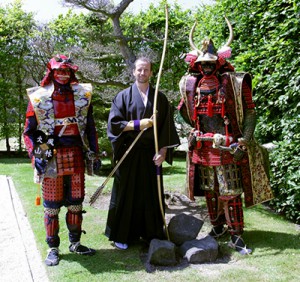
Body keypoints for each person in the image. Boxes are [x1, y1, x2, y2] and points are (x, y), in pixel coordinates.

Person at [178, 18, 273, 255]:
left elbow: (250, 112)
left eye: (211, 63)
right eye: (203, 64)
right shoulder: (192, 85)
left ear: (219, 62)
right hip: (202, 147)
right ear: (198, 65)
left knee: (230, 191)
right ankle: (218, 227)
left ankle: (237, 235)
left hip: (228, 147)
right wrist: (191, 132)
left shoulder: (235, 83)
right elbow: (183, 111)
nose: (207, 67)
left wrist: (245, 140)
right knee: (210, 190)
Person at [23, 54, 101, 266]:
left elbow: (90, 127)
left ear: (71, 72)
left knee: (75, 204)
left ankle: (75, 244)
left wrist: (94, 152)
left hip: (76, 153)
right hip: (50, 153)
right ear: (52, 72)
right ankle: (53, 248)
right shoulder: (38, 97)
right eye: (59, 71)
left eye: (67, 71)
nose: (63, 75)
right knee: (52, 206)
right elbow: (29, 132)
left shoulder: (83, 95)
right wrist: (37, 156)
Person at [105, 57, 180, 250]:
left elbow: (166, 130)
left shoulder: (160, 99)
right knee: (125, 194)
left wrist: (162, 152)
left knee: (151, 195)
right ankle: (122, 235)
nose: (142, 73)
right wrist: (140, 124)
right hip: (128, 154)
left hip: (151, 156)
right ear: (133, 72)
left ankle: (151, 234)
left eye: (146, 70)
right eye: (139, 69)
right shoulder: (123, 96)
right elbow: (114, 124)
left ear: (151, 73)